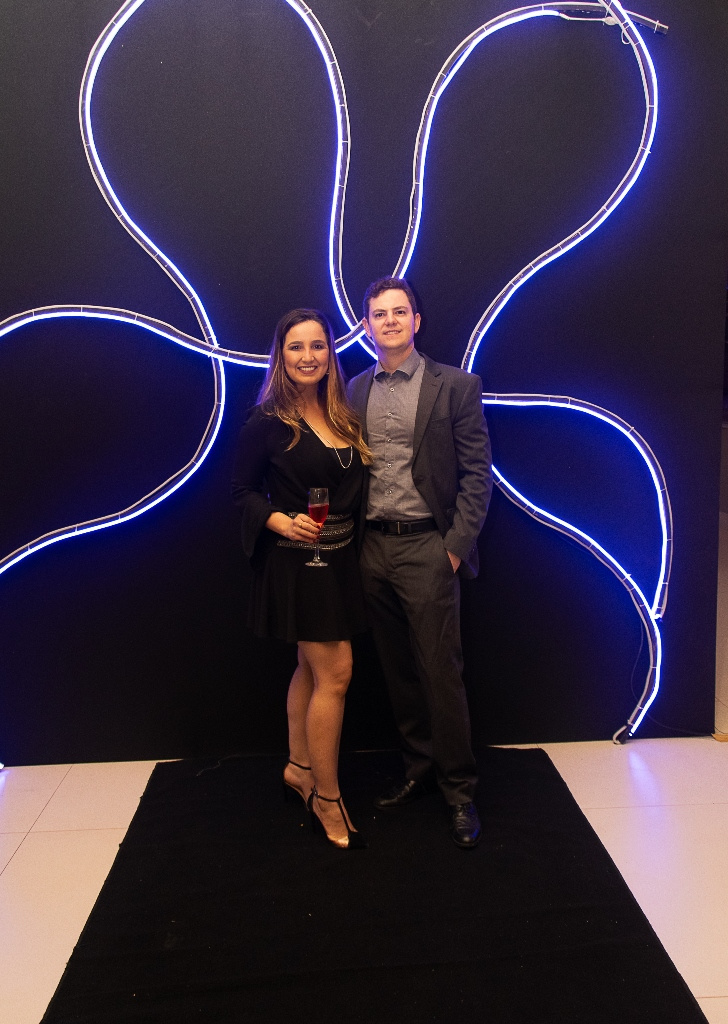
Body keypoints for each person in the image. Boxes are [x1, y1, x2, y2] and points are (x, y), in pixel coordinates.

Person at [347, 278, 492, 849]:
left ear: (416, 320)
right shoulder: (355, 388)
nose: (389, 321)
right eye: (379, 314)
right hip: (373, 548)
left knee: (439, 673)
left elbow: (477, 474)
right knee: (398, 671)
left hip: (429, 548)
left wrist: (453, 546)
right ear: (366, 325)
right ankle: (419, 770)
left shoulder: (455, 385)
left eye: (399, 311)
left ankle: (459, 791)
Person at [231, 308, 371, 850]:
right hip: (297, 562)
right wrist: (277, 519)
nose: (308, 356)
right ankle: (327, 797)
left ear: (330, 354)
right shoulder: (266, 422)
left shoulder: (343, 413)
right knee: (336, 672)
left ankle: (297, 767)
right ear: (281, 356)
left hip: (340, 559)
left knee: (311, 670)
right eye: (296, 346)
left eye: (318, 345)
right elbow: (242, 492)